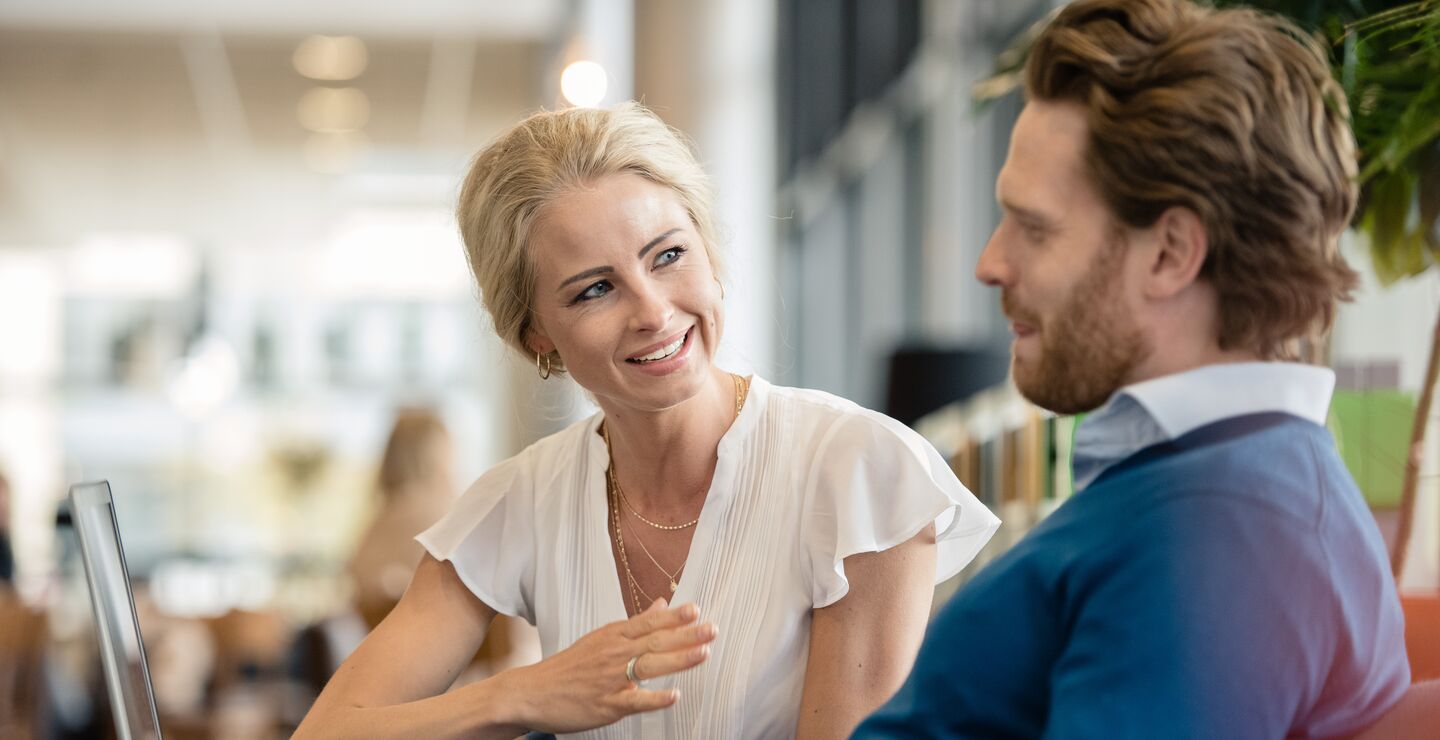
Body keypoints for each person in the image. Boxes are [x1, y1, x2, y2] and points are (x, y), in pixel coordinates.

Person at [296, 102, 1000, 739]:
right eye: (595, 289)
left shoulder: (858, 473)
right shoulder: (520, 501)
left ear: (709, 252)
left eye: (668, 256)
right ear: (534, 332)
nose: (654, 312)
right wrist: (521, 695)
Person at [855, 0, 1410, 737]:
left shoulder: (1219, 536)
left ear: (1170, 254)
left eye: (1035, 227)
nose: (990, 264)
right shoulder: (1227, 483)